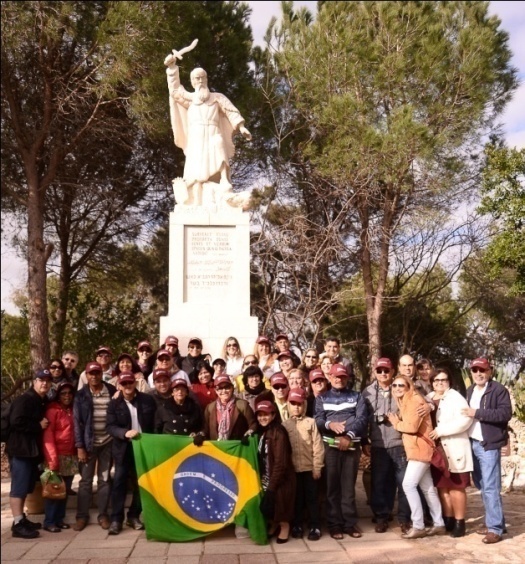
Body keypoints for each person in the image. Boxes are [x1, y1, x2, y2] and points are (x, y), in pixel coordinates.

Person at [165, 53, 251, 204]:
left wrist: (241, 126)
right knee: (196, 165)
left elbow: (230, 110)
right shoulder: (189, 99)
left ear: (206, 79)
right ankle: (195, 191)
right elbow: (174, 90)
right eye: (197, 78)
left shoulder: (217, 97)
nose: (200, 81)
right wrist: (172, 68)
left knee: (219, 144)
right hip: (196, 136)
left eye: (202, 77)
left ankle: (224, 181)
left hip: (213, 132)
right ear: (192, 82)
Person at [387, 375, 445, 539]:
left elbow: (412, 427)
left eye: (401, 385)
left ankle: (418, 525)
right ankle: (439, 523)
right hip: (420, 449)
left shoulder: (413, 400)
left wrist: (395, 422)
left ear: (409, 386)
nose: (397, 388)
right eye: (395, 385)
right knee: (428, 489)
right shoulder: (406, 400)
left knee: (408, 485)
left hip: (420, 449)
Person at [462, 357, 512, 544]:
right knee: (483, 486)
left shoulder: (498, 390)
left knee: (491, 488)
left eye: (482, 370)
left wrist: (477, 413)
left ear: (489, 371)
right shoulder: (469, 391)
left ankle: (495, 528)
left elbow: (504, 414)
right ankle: (498, 522)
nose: (478, 373)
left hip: (488, 445)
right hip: (473, 444)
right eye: (475, 370)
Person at [314, 363, 368, 540]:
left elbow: (361, 419)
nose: (339, 379)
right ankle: (334, 524)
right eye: (336, 376)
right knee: (332, 487)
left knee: (348, 487)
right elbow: (319, 420)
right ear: (329, 377)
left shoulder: (356, 396)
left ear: (347, 378)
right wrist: (331, 424)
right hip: (330, 446)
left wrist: (349, 436)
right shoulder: (322, 398)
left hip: (351, 445)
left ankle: (349, 523)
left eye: (343, 376)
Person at [362, 358, 411, 534]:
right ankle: (382, 516)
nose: (383, 374)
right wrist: (364, 441)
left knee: (403, 483)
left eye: (386, 370)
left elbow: (416, 403)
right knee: (379, 482)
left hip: (399, 443)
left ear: (392, 371)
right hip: (378, 444)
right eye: (379, 370)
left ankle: (404, 519)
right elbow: (362, 419)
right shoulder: (366, 393)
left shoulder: (401, 388)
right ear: (374, 372)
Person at [105, 372, 157, 535]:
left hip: (143, 448)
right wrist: (124, 433)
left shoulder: (147, 400)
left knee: (141, 483)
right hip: (123, 449)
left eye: (130, 383)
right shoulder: (113, 404)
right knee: (119, 484)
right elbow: (110, 426)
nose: (127, 386)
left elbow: (155, 422)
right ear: (119, 385)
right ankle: (116, 519)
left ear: (135, 383)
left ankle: (133, 516)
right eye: (124, 383)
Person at [426, 367, 473, 537]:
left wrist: (441, 431)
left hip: (454, 447)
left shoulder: (456, 398)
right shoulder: (428, 398)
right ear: (431, 382)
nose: (439, 383)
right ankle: (448, 519)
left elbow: (465, 420)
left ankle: (460, 522)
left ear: (449, 382)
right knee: (442, 488)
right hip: (437, 450)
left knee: (456, 487)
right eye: (436, 380)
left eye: (443, 380)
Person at [7, 369, 51, 539]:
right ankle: (17, 524)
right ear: (34, 382)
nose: (44, 383)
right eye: (41, 380)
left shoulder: (40, 400)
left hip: (29, 451)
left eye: (47, 381)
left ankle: (21, 519)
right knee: (18, 487)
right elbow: (16, 421)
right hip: (20, 450)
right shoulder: (25, 399)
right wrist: (38, 425)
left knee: (25, 486)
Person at [73, 361, 116, 531]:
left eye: (97, 373)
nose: (94, 376)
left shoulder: (112, 391)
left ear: (101, 374)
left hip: (108, 442)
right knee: (85, 481)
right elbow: (77, 422)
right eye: (91, 373)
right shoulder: (81, 395)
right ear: (87, 375)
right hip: (89, 443)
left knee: (104, 480)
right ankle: (82, 516)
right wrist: (80, 446)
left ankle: (103, 515)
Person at [282, 388, 324, 541]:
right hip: (293, 471)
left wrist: (317, 467)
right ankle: (297, 525)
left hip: (309, 469)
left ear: (304, 405)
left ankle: (315, 526)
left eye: (299, 404)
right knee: (297, 499)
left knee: (312, 498)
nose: (296, 407)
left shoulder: (310, 423)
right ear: (288, 405)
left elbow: (317, 446)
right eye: (293, 404)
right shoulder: (285, 425)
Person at [255, 400, 296, 544]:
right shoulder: (264, 431)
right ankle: (274, 523)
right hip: (268, 474)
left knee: (280, 501)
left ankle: (284, 526)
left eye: (266, 414)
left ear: (273, 415)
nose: (262, 418)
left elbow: (281, 463)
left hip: (281, 477)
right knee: (270, 504)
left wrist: (272, 486)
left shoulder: (278, 432)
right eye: (259, 415)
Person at [42, 381, 78, 532]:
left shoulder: (72, 409)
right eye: (63, 393)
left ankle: (59, 519)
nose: (67, 396)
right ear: (58, 395)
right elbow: (48, 435)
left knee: (64, 490)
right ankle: (49, 521)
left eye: (69, 393)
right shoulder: (52, 410)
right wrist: (52, 458)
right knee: (53, 489)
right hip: (56, 455)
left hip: (70, 455)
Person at [202, 374, 257, 440]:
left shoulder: (243, 405)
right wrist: (201, 435)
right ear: (216, 391)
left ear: (232, 388)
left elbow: (253, 425)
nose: (224, 391)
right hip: (216, 448)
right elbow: (205, 429)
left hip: (238, 447)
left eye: (227, 387)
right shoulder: (210, 408)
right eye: (220, 388)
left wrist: (248, 434)